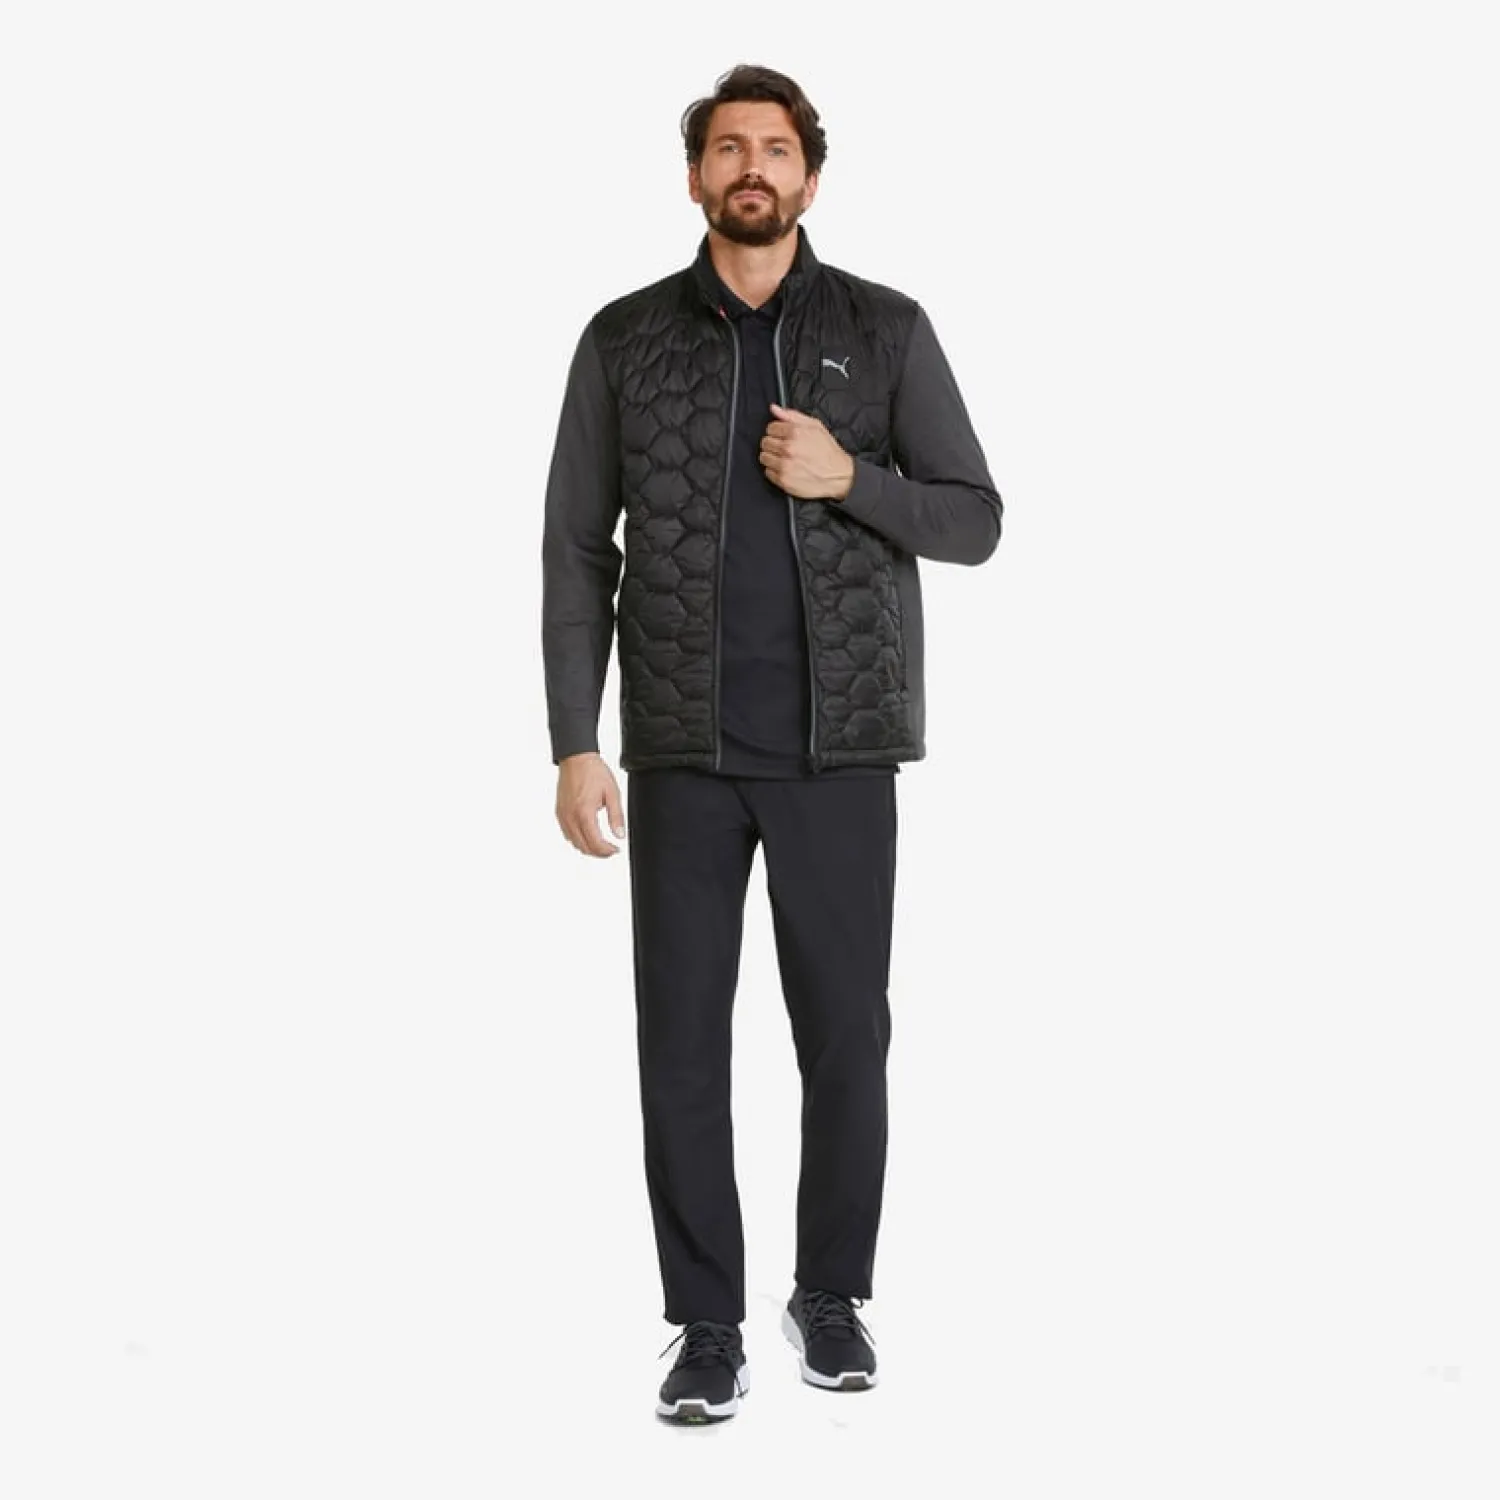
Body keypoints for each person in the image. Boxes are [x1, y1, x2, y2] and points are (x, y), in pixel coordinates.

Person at [540, 63, 1003, 1423]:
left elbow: (976, 518)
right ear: (695, 177)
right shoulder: (624, 339)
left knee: (846, 1040)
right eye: (730, 147)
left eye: (778, 148)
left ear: (810, 174)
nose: (754, 167)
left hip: (841, 751)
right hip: (681, 752)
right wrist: (575, 740)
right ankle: (705, 1324)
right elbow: (575, 549)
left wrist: (851, 479)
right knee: (680, 1047)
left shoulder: (886, 329)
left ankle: (831, 1296)